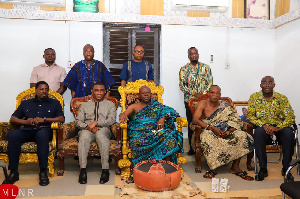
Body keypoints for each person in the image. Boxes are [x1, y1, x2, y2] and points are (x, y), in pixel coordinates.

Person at [2, 81, 65, 186]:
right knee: (13, 135)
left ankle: (43, 171)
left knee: (42, 135)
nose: (44, 91)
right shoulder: (26, 103)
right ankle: (13, 172)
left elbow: (61, 119)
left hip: (44, 130)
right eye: (41, 89)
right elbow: (13, 119)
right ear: (36, 90)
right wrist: (25, 121)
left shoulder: (54, 103)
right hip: (28, 130)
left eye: (46, 89)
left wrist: (44, 119)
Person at [192, 85, 254, 180]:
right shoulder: (203, 103)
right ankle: (214, 167)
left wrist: (229, 131)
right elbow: (195, 120)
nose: (215, 95)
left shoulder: (225, 106)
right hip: (209, 129)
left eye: (217, 93)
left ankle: (235, 166)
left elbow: (235, 120)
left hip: (225, 129)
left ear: (220, 95)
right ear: (208, 94)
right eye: (212, 92)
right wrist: (212, 128)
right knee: (206, 137)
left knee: (242, 135)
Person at [119, 86, 183, 167]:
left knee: (169, 136)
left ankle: (168, 167)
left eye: (148, 93)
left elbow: (170, 111)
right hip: (139, 132)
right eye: (143, 93)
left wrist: (162, 118)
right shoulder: (134, 106)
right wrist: (122, 115)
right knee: (136, 141)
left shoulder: (157, 105)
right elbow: (124, 114)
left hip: (154, 131)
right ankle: (140, 168)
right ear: (139, 95)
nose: (146, 95)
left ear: (151, 94)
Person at [247, 76, 295, 181]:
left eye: (270, 82)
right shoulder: (254, 97)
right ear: (261, 85)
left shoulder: (282, 98)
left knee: (289, 134)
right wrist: (263, 125)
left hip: (279, 128)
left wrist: (278, 128)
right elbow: (250, 116)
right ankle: (263, 169)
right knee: (258, 133)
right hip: (263, 128)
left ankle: (286, 169)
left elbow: (291, 117)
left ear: (274, 85)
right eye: (264, 83)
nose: (267, 85)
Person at [76, 82, 116, 184]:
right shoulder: (85, 105)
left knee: (101, 136)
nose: (99, 93)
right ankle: (83, 170)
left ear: (105, 92)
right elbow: (78, 121)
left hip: (103, 129)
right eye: (96, 90)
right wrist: (88, 126)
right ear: (92, 91)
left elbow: (111, 120)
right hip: (87, 129)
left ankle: (105, 170)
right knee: (84, 136)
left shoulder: (110, 105)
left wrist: (96, 123)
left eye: (102, 90)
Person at [179, 47, 213, 156]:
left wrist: (203, 95)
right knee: (192, 123)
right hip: (190, 101)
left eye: (196, 53)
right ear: (188, 56)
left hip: (205, 101)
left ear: (198, 55)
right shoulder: (184, 69)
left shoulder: (206, 68)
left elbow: (210, 83)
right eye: (192, 54)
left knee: (206, 122)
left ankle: (205, 147)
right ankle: (192, 148)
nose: (194, 55)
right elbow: (182, 85)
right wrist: (194, 94)